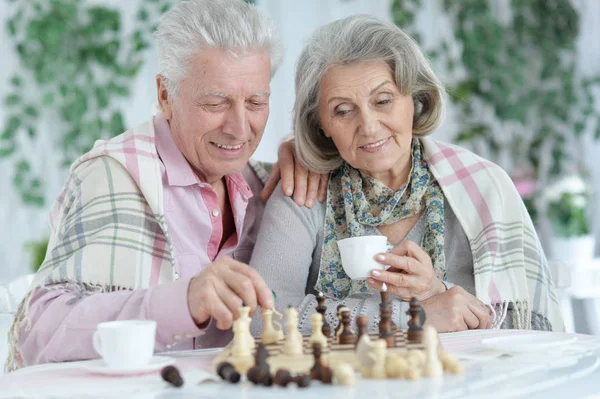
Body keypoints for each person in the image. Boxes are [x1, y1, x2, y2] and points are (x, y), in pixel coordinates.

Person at [6, 0, 327, 372]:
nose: (240, 128)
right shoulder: (111, 176)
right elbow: (37, 333)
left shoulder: (266, 183)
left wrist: (310, 151)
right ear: (164, 96)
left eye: (256, 102)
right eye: (215, 102)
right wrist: (183, 302)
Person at [250, 15, 564, 335]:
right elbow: (262, 317)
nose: (369, 126)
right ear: (321, 126)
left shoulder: (482, 188)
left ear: (415, 99)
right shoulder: (303, 188)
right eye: (343, 111)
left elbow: (532, 326)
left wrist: (435, 291)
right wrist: (413, 317)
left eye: (383, 100)